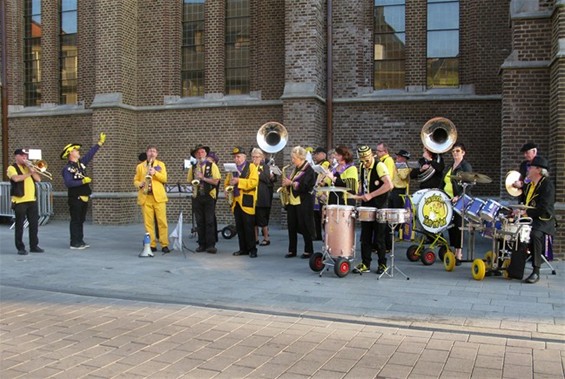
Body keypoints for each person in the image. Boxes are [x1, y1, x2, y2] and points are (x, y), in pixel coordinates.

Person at [61, 132, 106, 249]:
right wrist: (83, 181)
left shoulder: (80, 165)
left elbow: (89, 155)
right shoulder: (67, 168)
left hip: (84, 196)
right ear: (70, 153)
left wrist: (99, 144)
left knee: (81, 220)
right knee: (75, 220)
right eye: (76, 150)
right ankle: (74, 242)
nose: (78, 151)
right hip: (75, 197)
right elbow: (68, 183)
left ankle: (80, 240)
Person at [353, 145, 393, 274]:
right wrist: (359, 193)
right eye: (362, 161)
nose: (365, 163)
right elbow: (364, 182)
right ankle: (366, 263)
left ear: (372, 156)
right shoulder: (362, 166)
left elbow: (389, 185)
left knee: (379, 237)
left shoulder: (379, 166)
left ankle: (382, 264)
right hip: (367, 206)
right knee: (365, 236)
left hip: (379, 205)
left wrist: (371, 194)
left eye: (367, 160)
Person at [518, 156, 556, 284]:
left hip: (544, 220)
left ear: (538, 170)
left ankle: (536, 271)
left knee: (535, 234)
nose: (528, 169)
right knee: (509, 229)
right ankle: (512, 266)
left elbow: (543, 208)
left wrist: (526, 212)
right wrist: (518, 211)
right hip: (529, 218)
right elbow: (524, 202)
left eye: (531, 167)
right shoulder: (529, 185)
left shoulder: (547, 185)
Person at [281, 146, 316, 259]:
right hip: (292, 201)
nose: (292, 160)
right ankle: (292, 250)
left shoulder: (309, 170)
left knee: (305, 226)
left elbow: (305, 186)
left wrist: (290, 183)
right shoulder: (296, 169)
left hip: (303, 202)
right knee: (291, 226)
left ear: (301, 158)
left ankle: (308, 250)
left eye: (294, 158)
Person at [134, 145, 170, 254]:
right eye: (150, 151)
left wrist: (155, 173)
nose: (152, 153)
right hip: (146, 197)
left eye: (154, 151)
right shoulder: (140, 166)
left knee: (162, 222)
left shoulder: (161, 165)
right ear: (147, 153)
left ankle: (164, 244)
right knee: (148, 223)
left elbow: (164, 178)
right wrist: (139, 184)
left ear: (157, 154)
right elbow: (135, 180)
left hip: (158, 197)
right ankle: (151, 244)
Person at [7, 149, 44, 255]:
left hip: (32, 200)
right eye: (22, 156)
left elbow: (38, 179)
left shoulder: (29, 168)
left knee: (34, 224)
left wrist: (32, 170)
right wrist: (29, 173)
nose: (25, 158)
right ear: (16, 156)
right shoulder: (12, 168)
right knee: (19, 225)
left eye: (26, 156)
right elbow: (16, 179)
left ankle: (34, 245)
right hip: (20, 200)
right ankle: (20, 247)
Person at [225, 146, 259, 258]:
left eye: (238, 156)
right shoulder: (232, 169)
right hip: (236, 201)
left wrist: (239, 181)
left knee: (249, 226)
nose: (236, 159)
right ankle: (243, 249)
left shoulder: (252, 167)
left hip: (247, 200)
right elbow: (227, 183)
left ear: (244, 156)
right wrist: (226, 189)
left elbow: (254, 182)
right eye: (235, 157)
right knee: (240, 227)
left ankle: (252, 249)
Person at [443, 143, 473, 266]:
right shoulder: (450, 166)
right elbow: (443, 181)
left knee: (458, 225)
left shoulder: (465, 166)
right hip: (448, 198)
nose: (455, 153)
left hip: (460, 199)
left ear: (463, 152)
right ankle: (452, 248)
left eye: (458, 151)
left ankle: (458, 252)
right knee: (450, 225)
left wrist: (459, 196)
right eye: (453, 151)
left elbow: (469, 183)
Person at [188, 144, 221, 254]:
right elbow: (189, 181)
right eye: (198, 153)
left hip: (209, 196)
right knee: (199, 221)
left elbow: (216, 181)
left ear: (206, 153)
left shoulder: (212, 165)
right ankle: (201, 244)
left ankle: (211, 245)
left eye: (202, 152)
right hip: (197, 196)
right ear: (195, 155)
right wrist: (195, 181)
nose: (200, 154)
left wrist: (203, 178)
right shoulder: (193, 167)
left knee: (209, 221)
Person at [251, 148, 276, 246]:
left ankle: (266, 238)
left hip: (262, 196)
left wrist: (257, 174)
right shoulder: (250, 166)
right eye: (253, 157)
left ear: (261, 158)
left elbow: (266, 179)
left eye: (257, 157)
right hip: (253, 196)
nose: (255, 159)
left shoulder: (265, 167)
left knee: (262, 219)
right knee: (254, 220)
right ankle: (255, 238)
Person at [312, 147, 330, 241]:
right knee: (316, 216)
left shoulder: (326, 164)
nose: (315, 155)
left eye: (317, 154)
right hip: (316, 192)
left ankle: (325, 235)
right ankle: (317, 234)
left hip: (322, 193)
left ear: (323, 154)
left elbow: (325, 177)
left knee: (323, 216)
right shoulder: (317, 164)